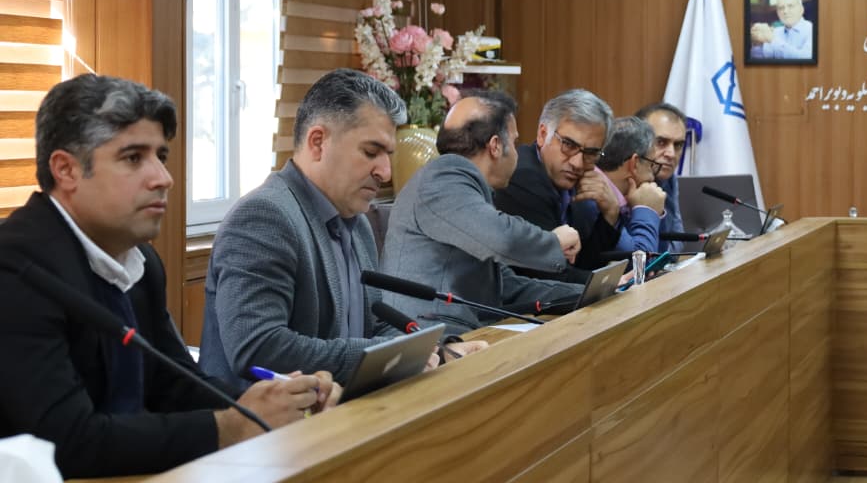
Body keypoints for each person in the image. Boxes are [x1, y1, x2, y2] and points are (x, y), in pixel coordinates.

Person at [0, 74, 339, 479]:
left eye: (161, 155)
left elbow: (173, 384)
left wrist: (274, 402)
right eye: (133, 158)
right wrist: (229, 427)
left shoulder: (140, 260)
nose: (163, 177)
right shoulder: (15, 268)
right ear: (66, 170)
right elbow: (66, 442)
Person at [199, 69, 481, 391]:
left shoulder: (357, 223)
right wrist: (379, 355)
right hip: (267, 420)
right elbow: (259, 348)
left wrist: (435, 351)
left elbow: (374, 326)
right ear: (318, 142)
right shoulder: (264, 217)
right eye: (371, 152)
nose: (385, 172)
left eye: (388, 155)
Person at [380, 91, 585, 334]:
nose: (517, 154)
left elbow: (504, 286)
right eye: (515, 143)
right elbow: (503, 238)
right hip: (428, 339)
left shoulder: (462, 187)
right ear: (496, 146)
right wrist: (553, 241)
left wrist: (588, 292)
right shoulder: (444, 176)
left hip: (457, 333)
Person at [493, 89, 620, 281]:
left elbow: (583, 263)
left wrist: (610, 213)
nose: (577, 163)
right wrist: (612, 283)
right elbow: (550, 272)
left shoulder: (578, 183)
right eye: (569, 145)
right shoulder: (521, 177)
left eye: (590, 153)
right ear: (543, 134)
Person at [594, 117, 666, 254]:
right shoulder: (595, 199)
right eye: (651, 165)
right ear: (635, 164)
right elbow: (641, 263)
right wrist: (647, 211)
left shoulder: (623, 196)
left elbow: (663, 257)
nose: (652, 178)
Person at [635, 102, 688, 234]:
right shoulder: (621, 182)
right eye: (661, 142)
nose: (671, 154)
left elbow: (675, 237)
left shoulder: (669, 179)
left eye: (678, 145)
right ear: (637, 141)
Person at [749, 0, 813, 60]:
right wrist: (757, 43)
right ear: (777, 13)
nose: (785, 11)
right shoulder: (775, 32)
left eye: (790, 6)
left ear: (801, 9)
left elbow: (805, 59)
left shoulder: (812, 30)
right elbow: (760, 57)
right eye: (781, 8)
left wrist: (772, 39)